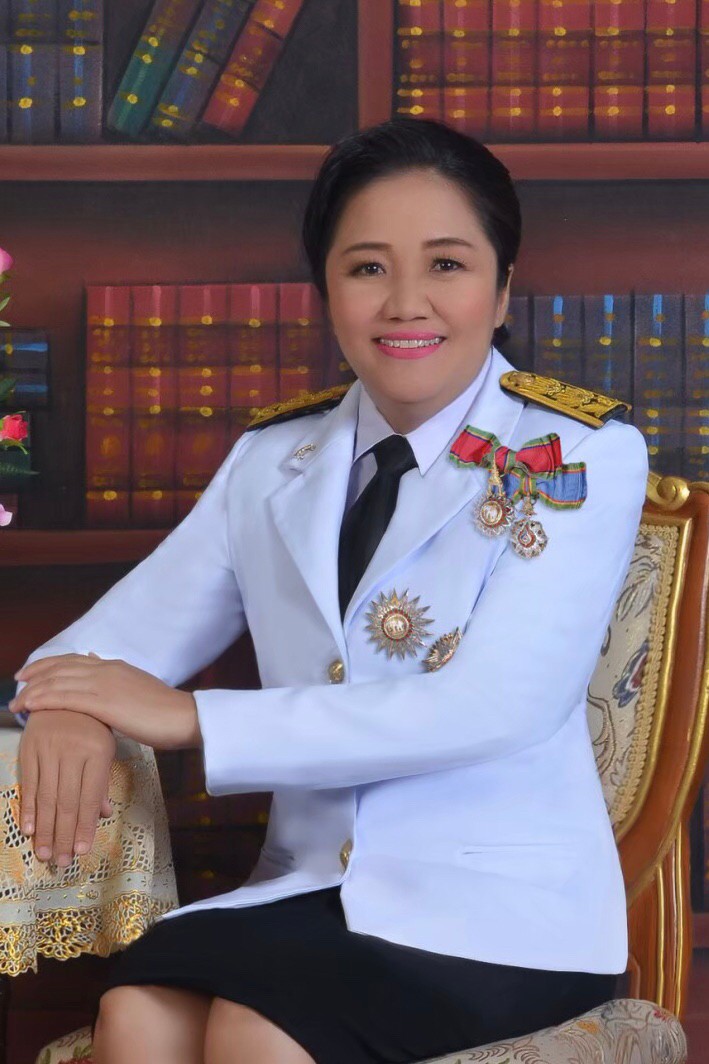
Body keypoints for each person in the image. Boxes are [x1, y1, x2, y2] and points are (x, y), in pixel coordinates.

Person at [10, 117, 648, 1064]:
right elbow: (107, 642)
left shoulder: (577, 454)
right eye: (366, 268)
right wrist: (67, 707)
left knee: (256, 1033)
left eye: (445, 264)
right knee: (137, 1016)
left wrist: (193, 719)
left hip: (502, 913)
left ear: (503, 287)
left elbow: (495, 705)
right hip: (312, 888)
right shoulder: (276, 458)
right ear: (326, 292)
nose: (405, 303)